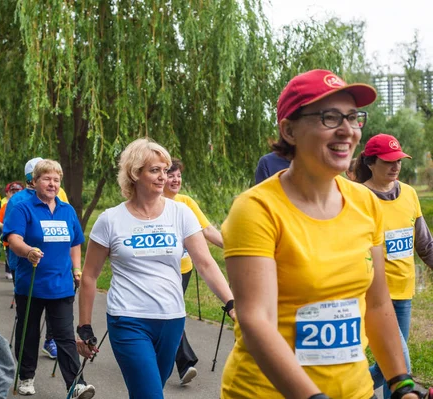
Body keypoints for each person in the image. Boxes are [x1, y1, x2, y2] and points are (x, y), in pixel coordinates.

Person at [220, 69, 421, 399]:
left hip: (353, 391)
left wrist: (401, 383)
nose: (347, 130)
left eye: (353, 118)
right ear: (289, 130)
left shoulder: (365, 203)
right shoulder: (256, 209)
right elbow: (257, 321)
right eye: (329, 117)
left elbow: (377, 303)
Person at [76, 138, 235, 399]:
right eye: (155, 170)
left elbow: (205, 263)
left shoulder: (181, 213)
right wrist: (84, 326)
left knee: (148, 392)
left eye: (166, 169)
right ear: (135, 173)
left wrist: (230, 303)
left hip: (171, 320)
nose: (164, 177)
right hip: (128, 320)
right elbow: (90, 276)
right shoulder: (110, 220)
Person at [2, 159, 95, 398]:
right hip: (30, 283)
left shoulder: (67, 210)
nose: (52, 184)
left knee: (64, 336)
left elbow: (75, 243)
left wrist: (77, 269)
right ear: (34, 182)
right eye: (46, 179)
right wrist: (28, 251)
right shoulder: (22, 206)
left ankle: (76, 385)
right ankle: (26, 376)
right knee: (29, 333)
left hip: (61, 284)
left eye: (56, 179)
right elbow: (13, 239)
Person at [354, 133, 433, 398]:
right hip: (375, 295)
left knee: (390, 363)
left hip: (404, 292)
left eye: (398, 160)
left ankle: (346, 389)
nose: (395, 166)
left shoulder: (409, 193)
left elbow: (424, 243)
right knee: (401, 364)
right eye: (388, 161)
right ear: (370, 163)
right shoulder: (358, 196)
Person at [162, 158, 224, 385]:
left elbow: (207, 230)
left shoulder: (186, 202)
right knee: (171, 311)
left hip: (183, 269)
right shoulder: (152, 203)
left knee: (171, 311)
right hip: (159, 270)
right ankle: (184, 362)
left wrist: (236, 246)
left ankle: (170, 357)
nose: (175, 179)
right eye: (171, 175)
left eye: (178, 175)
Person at [0, 181, 25, 280]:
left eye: (18, 192)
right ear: (8, 193)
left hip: (25, 242)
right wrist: (8, 227)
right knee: (14, 266)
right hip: (10, 242)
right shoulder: (6, 206)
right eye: (13, 192)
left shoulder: (28, 206)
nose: (15, 194)